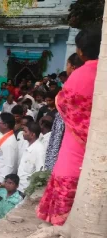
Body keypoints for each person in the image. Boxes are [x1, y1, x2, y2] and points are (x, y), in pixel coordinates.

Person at [37, 28, 101, 226]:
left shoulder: (80, 74)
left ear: (80, 51)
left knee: (68, 171)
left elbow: (64, 103)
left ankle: (61, 220)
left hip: (76, 143)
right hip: (99, 141)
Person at [44, 53, 84, 170]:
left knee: (58, 150)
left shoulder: (72, 83)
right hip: (73, 124)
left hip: (65, 122)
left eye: (67, 64)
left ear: (72, 66)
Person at [17, 122, 45, 192]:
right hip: (19, 185)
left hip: (27, 189)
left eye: (25, 132)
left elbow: (39, 172)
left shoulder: (39, 149)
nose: (23, 133)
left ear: (32, 135)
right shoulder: (26, 144)